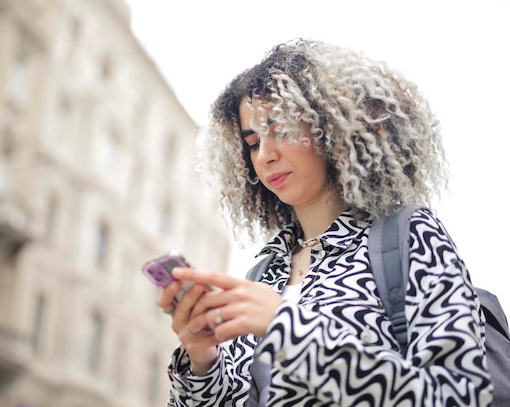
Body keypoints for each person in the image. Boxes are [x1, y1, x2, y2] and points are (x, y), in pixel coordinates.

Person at [156, 38, 493, 406]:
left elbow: (459, 394)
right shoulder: (263, 273)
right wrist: (202, 360)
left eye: (280, 130)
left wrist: (287, 328)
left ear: (332, 131)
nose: (265, 155)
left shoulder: (409, 237)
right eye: (252, 142)